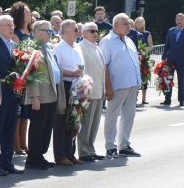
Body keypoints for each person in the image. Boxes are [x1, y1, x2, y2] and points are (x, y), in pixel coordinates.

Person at [0, 14, 24, 176]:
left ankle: (8, 162)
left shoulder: (16, 46)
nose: (11, 28)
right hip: (0, 93)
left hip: (14, 94)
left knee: (10, 129)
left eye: (12, 25)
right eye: (8, 25)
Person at [99, 13, 142, 158]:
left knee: (129, 116)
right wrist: (108, 87)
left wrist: (138, 82)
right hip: (116, 86)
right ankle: (110, 146)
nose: (129, 26)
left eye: (129, 24)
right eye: (126, 24)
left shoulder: (128, 40)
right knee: (112, 116)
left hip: (131, 85)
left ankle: (124, 145)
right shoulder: (107, 41)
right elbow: (103, 65)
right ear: (116, 25)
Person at [23, 20, 60, 170]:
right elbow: (31, 75)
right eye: (47, 31)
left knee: (46, 127)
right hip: (41, 95)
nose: (50, 34)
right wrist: (35, 96)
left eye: (51, 31)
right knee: (38, 128)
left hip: (51, 93)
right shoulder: (33, 48)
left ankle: (40, 155)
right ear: (37, 32)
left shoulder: (47, 48)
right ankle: (33, 158)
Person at [53, 19, 85, 166]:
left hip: (76, 86)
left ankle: (70, 153)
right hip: (64, 86)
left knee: (73, 120)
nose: (77, 31)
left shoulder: (77, 46)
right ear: (65, 32)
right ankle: (60, 155)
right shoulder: (59, 48)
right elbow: (56, 69)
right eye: (74, 29)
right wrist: (71, 73)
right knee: (61, 121)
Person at [77, 22, 106, 162]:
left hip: (99, 90)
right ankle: (83, 151)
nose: (95, 33)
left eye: (96, 31)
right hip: (88, 91)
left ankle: (90, 148)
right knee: (86, 123)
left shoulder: (96, 47)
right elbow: (83, 70)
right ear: (84, 33)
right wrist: (84, 90)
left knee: (94, 124)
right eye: (92, 31)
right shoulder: (81, 47)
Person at [10, 1, 32, 155]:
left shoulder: (31, 33)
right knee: (17, 112)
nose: (30, 14)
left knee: (26, 112)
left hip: (32, 76)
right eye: (26, 12)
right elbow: (16, 57)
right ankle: (15, 143)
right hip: (20, 77)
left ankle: (23, 142)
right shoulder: (16, 34)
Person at [162, 13, 184, 107]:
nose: (179, 21)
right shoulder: (171, 31)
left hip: (182, 61)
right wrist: (164, 57)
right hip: (170, 60)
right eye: (177, 19)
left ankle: (181, 100)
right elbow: (167, 44)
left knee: (181, 81)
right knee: (168, 80)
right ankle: (167, 99)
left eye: (181, 19)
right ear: (175, 20)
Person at [134, 16, 153, 105]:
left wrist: (143, 52)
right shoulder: (132, 33)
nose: (139, 23)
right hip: (135, 58)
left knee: (144, 79)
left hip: (144, 59)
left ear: (144, 23)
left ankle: (144, 99)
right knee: (136, 80)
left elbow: (150, 46)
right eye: (137, 22)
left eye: (141, 22)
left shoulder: (147, 33)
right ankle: (135, 98)